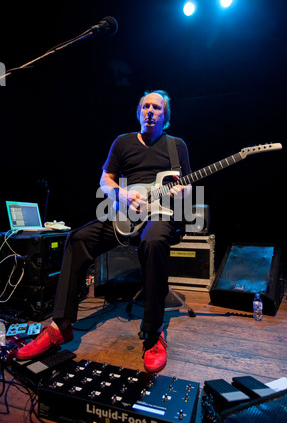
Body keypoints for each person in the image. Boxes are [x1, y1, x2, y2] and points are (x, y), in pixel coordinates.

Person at [17, 90, 192, 373]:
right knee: (77, 239)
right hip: (126, 214)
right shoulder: (122, 143)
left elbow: (186, 187)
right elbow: (105, 179)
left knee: (154, 240)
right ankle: (60, 326)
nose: (150, 111)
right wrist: (122, 195)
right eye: (145, 106)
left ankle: (153, 333)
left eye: (156, 108)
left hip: (160, 215)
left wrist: (183, 191)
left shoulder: (176, 146)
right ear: (138, 112)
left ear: (165, 116)